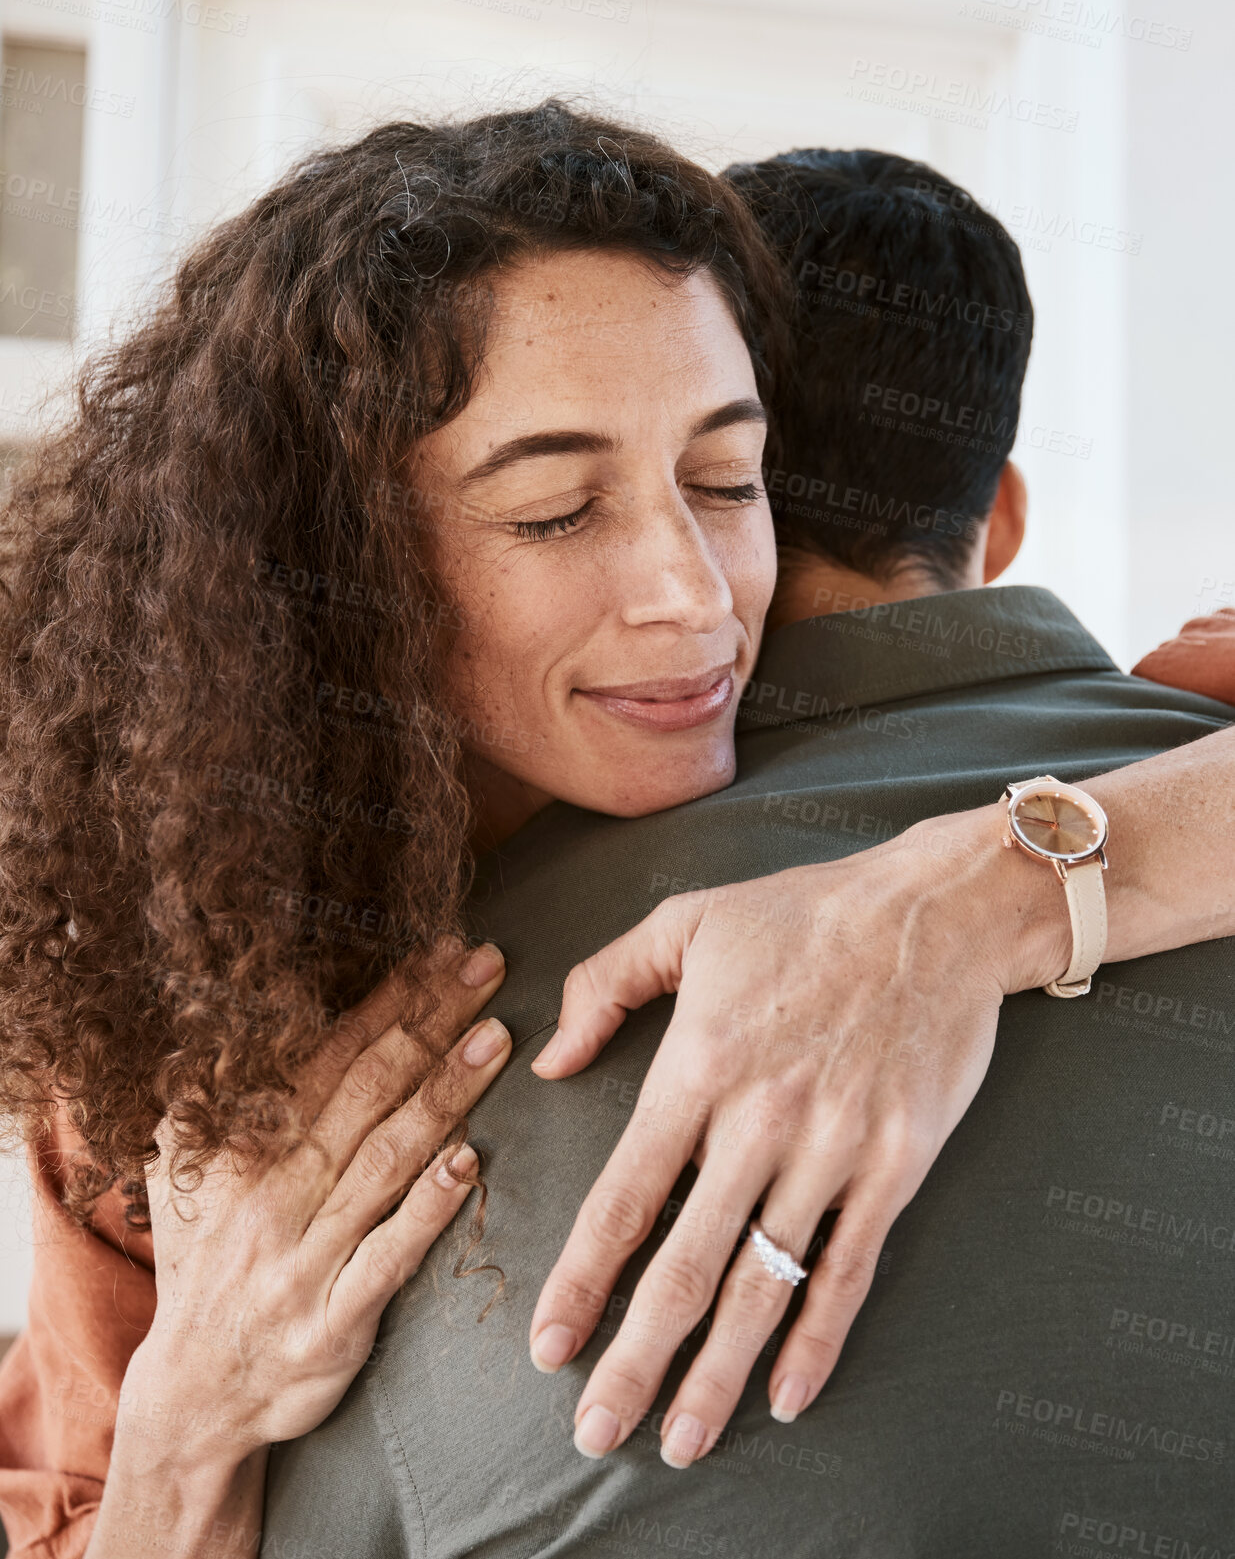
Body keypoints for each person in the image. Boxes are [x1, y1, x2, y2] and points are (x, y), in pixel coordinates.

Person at [0, 113, 1230, 1559]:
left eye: (727, 481)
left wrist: (968, 897)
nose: (693, 596)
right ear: (339, 571)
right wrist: (182, 1429)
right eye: (555, 510)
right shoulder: (175, 1039)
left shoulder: (1098, 725)